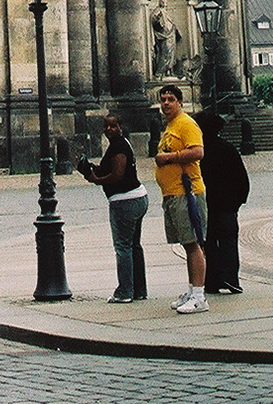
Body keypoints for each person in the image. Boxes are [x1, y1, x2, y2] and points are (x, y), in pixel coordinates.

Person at [78, 112, 148, 302]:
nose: (109, 129)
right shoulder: (121, 144)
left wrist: (97, 180)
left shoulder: (118, 147)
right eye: (106, 126)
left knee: (123, 246)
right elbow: (111, 169)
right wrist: (91, 168)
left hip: (125, 201)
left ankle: (125, 291)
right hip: (138, 197)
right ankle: (139, 290)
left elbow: (117, 175)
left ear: (121, 127)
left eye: (113, 126)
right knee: (134, 246)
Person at [154, 84, 208, 313]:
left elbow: (198, 151)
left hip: (188, 192)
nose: (166, 103)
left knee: (193, 244)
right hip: (173, 193)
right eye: (163, 99)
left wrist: (169, 158)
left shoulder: (186, 123)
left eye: (171, 99)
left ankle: (199, 296)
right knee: (187, 244)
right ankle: (192, 290)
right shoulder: (170, 126)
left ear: (180, 103)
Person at [197, 112, 250, 295]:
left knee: (209, 242)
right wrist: (238, 201)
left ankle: (211, 280)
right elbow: (241, 178)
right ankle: (230, 278)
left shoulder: (199, 151)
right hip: (227, 205)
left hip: (207, 204)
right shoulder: (227, 148)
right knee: (228, 242)